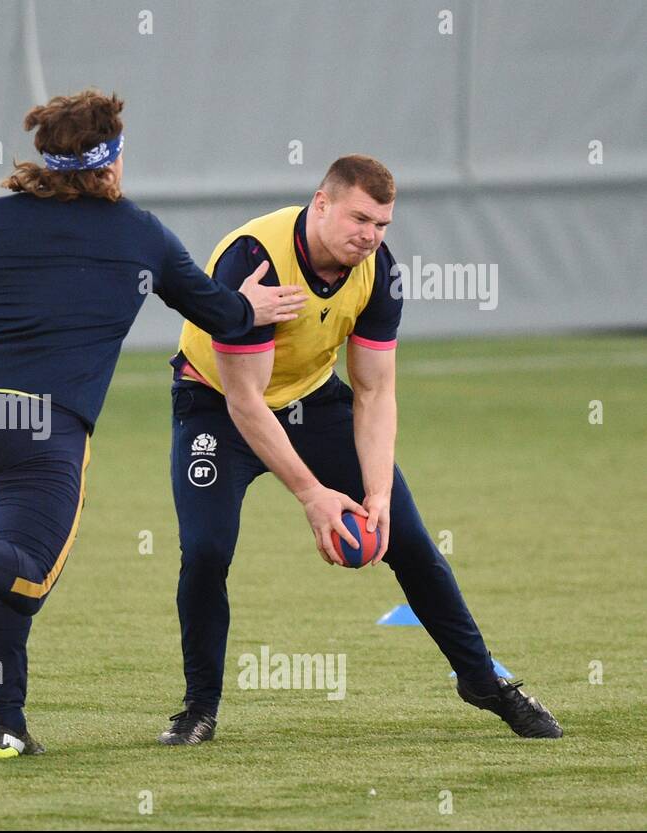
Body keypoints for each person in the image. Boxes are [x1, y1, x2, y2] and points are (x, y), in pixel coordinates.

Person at [0, 90, 305, 757]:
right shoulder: (137, 233)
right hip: (42, 425)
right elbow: (219, 314)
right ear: (110, 161)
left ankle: (7, 724)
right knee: (29, 571)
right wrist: (248, 304)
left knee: (7, 569)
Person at [160, 154, 561, 744]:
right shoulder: (255, 261)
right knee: (206, 551)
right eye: (360, 219)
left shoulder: (379, 271)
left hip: (314, 402)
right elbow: (246, 401)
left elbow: (375, 388)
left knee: (412, 541)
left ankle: (481, 680)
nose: (370, 236)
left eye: (382, 225)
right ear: (320, 203)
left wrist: (376, 492)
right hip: (217, 408)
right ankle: (199, 708)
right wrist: (312, 495)